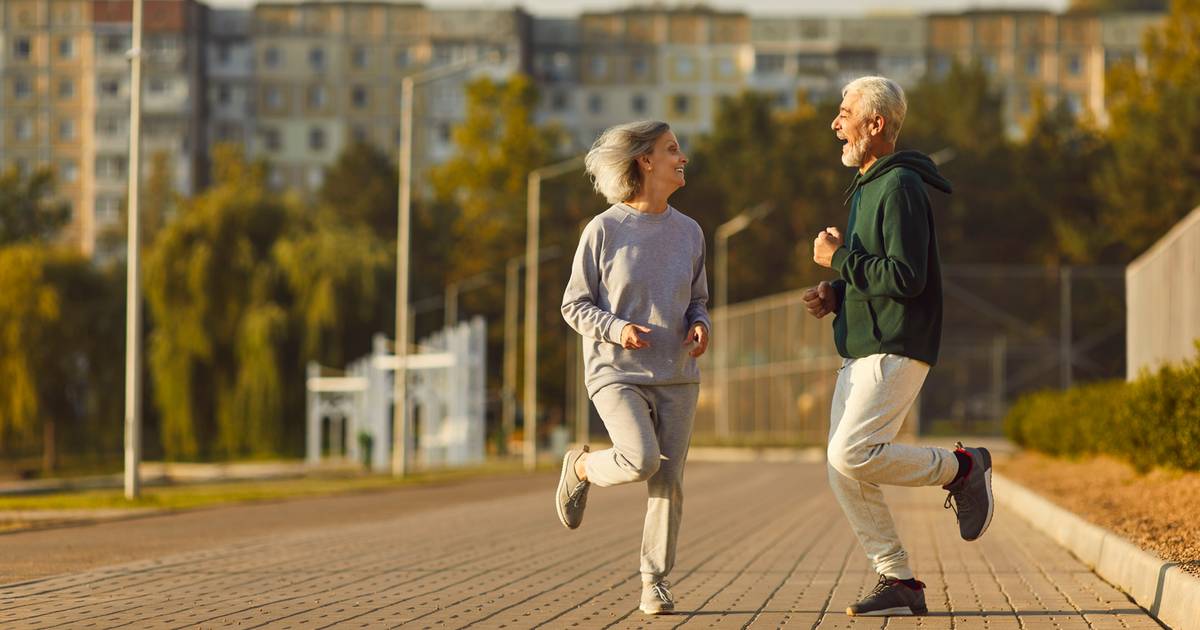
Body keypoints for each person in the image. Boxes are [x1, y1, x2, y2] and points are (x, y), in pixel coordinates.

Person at [804, 76, 994, 617]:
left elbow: (908, 277)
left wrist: (838, 261)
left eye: (845, 113)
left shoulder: (901, 187)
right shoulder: (868, 185)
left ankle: (961, 467)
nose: (835, 124)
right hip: (863, 345)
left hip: (896, 345)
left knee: (851, 453)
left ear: (876, 124)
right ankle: (900, 580)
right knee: (842, 469)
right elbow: (881, 272)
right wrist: (836, 294)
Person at [558, 120, 711, 616]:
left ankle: (654, 582)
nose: (681, 156)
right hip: (616, 373)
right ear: (645, 160)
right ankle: (580, 467)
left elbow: (700, 300)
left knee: (669, 481)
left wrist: (700, 325)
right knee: (641, 459)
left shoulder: (690, 232)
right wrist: (616, 329)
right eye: (672, 149)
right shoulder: (604, 229)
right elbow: (574, 305)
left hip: (677, 375)